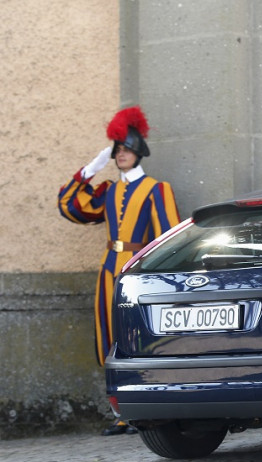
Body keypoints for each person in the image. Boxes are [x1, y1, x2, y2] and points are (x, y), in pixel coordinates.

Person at [57, 106, 181, 435]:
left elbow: (168, 237)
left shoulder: (157, 189)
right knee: (110, 338)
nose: (121, 155)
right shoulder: (110, 190)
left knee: (141, 337)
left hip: (138, 271)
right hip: (109, 270)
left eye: (126, 149)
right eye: (117, 150)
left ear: (138, 151)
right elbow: (71, 207)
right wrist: (90, 170)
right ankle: (122, 411)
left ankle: (147, 408)